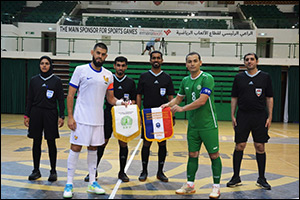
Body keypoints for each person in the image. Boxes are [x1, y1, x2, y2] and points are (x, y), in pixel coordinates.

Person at [63, 43, 126, 198]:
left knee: (93, 150)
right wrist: (70, 117)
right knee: (75, 148)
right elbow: (70, 95)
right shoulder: (80, 70)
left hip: (98, 121)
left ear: (106, 56)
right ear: (92, 52)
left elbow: (110, 98)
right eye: (98, 53)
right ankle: (69, 184)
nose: (100, 56)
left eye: (103, 54)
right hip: (81, 119)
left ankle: (92, 182)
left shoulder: (108, 75)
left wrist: (121, 103)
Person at [161, 52, 222, 199]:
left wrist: (182, 109)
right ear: (186, 65)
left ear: (200, 62)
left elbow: (202, 101)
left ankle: (216, 187)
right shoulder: (185, 81)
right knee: (192, 154)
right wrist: (166, 105)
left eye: (195, 61)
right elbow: (178, 99)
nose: (192, 63)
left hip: (208, 125)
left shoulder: (208, 78)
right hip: (193, 126)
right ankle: (190, 185)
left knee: (213, 155)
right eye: (189, 61)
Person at [83, 56, 137, 183]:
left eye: (123, 65)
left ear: (126, 67)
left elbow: (134, 100)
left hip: (124, 115)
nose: (120, 68)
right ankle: (93, 171)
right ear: (114, 66)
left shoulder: (130, 82)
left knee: (123, 143)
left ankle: (122, 172)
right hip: (108, 114)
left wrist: (129, 104)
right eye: (118, 65)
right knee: (102, 142)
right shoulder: (107, 79)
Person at [226, 53, 273, 190]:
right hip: (243, 115)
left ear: (257, 61)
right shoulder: (239, 78)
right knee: (239, 146)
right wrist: (232, 115)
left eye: (252, 59)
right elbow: (234, 97)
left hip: (259, 116)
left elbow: (269, 97)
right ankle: (236, 177)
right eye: (247, 60)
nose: (249, 61)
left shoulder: (265, 77)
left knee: (260, 147)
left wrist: (269, 116)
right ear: (244, 62)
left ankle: (262, 178)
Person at [24, 55, 65, 182]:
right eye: (42, 63)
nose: (44, 65)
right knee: (36, 142)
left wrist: (61, 115)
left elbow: (60, 99)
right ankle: (36, 170)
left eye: (47, 63)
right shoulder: (34, 80)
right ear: (39, 65)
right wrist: (27, 115)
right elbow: (29, 98)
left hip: (50, 114)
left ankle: (53, 171)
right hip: (36, 113)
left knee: (51, 142)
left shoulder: (56, 80)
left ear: (50, 65)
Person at [136, 50, 175, 183]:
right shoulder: (144, 76)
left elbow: (171, 97)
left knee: (162, 143)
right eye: (154, 58)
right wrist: (138, 112)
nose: (156, 60)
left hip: (163, 115)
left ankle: (160, 171)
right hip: (148, 115)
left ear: (162, 60)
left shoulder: (167, 77)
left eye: (158, 58)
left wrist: (172, 116)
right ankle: (144, 170)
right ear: (150, 60)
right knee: (146, 143)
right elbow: (139, 95)